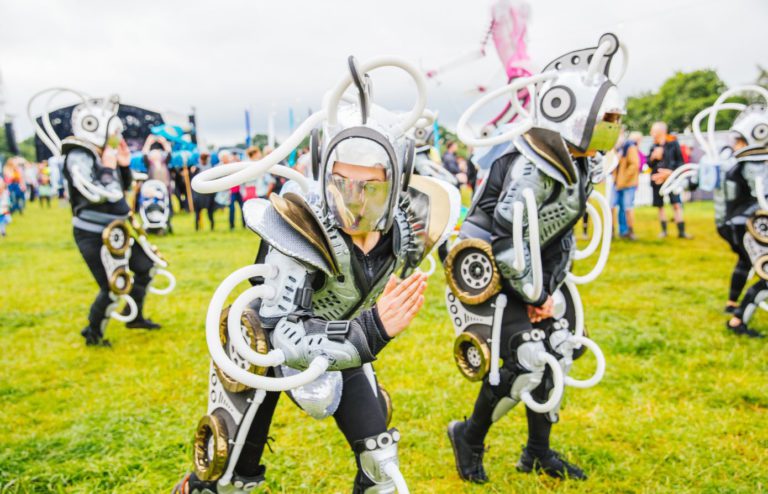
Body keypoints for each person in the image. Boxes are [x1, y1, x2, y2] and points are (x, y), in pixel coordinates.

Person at [174, 55, 458, 494]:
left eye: (372, 187)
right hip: (264, 350)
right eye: (342, 183)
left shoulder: (407, 223)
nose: (356, 200)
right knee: (228, 476)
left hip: (342, 347)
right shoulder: (300, 224)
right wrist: (372, 328)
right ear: (324, 171)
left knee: (382, 464)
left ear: (397, 180)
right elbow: (282, 331)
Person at [446, 33, 625, 483]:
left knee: (557, 353)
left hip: (534, 275)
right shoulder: (532, 161)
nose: (612, 124)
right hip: (489, 271)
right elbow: (509, 236)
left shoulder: (579, 157)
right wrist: (535, 294)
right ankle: (468, 436)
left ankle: (538, 452)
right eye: (606, 117)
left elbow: (555, 235)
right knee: (521, 360)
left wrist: (549, 290)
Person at [29, 90, 164, 346]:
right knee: (113, 286)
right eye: (114, 133)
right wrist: (108, 167)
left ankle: (133, 316)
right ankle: (93, 333)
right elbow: (96, 192)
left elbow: (119, 190)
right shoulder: (79, 154)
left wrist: (122, 165)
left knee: (146, 267)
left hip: (119, 228)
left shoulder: (103, 153)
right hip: (93, 232)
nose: (117, 139)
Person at [649, 122, 692, 238]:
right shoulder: (653, 146)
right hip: (657, 180)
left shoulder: (673, 144)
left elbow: (680, 162)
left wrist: (671, 173)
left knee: (676, 204)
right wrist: (653, 158)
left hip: (672, 180)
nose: (651, 134)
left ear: (661, 132)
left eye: (653, 131)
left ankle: (681, 231)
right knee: (660, 206)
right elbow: (649, 164)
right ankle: (664, 231)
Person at [613, 131, 642, 240]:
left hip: (628, 184)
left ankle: (630, 231)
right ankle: (622, 231)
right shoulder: (618, 149)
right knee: (619, 208)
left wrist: (623, 179)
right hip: (618, 183)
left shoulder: (630, 147)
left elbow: (635, 165)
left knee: (627, 207)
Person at [192, 150, 215, 231]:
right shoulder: (197, 168)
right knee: (198, 213)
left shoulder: (211, 168)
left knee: (209, 212)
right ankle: (197, 228)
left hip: (208, 193)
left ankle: (211, 227)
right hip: (199, 194)